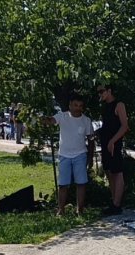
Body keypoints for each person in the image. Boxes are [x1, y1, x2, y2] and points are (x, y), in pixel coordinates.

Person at [43, 95, 93, 216]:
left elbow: (91, 140)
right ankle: (61, 209)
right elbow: (51, 121)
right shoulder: (62, 116)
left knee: (81, 183)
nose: (78, 108)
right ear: (70, 105)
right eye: (75, 105)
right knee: (63, 184)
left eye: (80, 106)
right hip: (64, 155)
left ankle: (80, 210)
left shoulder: (86, 120)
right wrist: (44, 119)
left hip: (80, 154)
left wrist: (90, 157)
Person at [97, 84, 129, 215]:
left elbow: (124, 126)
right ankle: (113, 200)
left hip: (114, 143)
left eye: (102, 91)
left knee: (117, 172)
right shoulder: (105, 107)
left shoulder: (119, 105)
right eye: (98, 92)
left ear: (109, 90)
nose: (100, 94)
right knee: (109, 171)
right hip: (105, 143)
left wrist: (113, 140)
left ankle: (117, 204)